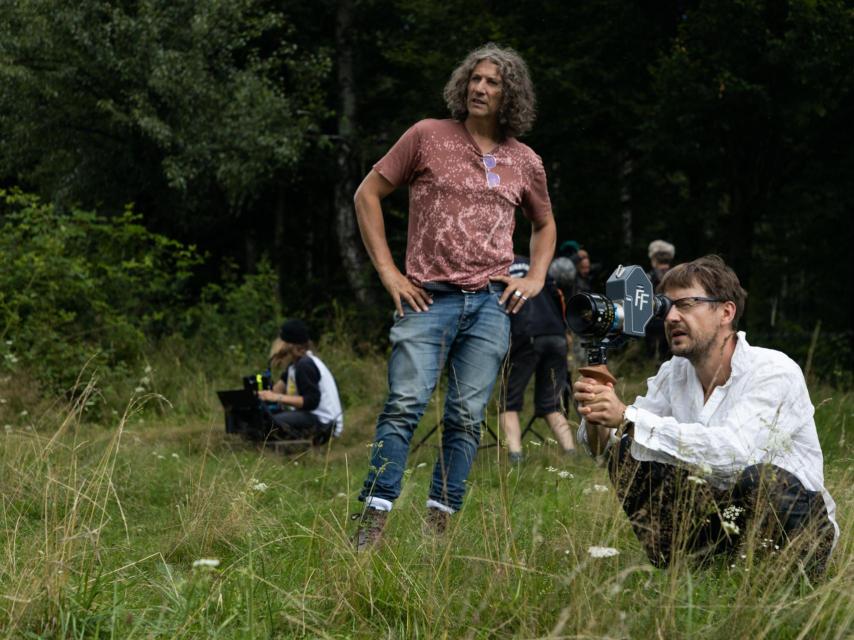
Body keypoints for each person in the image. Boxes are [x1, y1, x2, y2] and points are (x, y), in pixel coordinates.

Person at [352, 43, 557, 550]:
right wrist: (388, 273)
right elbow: (367, 195)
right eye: (475, 79)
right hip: (427, 298)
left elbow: (545, 224)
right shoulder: (427, 136)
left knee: (466, 418)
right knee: (404, 406)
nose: (480, 88)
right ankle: (371, 526)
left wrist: (534, 276)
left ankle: (436, 534)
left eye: (493, 82)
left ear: (511, 96)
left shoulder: (524, 161)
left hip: (491, 304)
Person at [573, 256, 838, 576]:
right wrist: (596, 410)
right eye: (665, 306)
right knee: (626, 457)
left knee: (760, 478)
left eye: (686, 304)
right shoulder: (673, 373)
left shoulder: (773, 369)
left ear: (726, 311)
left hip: (796, 525)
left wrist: (628, 418)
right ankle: (687, 570)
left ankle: (791, 577)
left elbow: (735, 452)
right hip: (720, 516)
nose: (671, 317)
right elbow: (606, 450)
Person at [499, 255, 576, 462]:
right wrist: (566, 329)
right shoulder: (535, 264)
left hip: (526, 334)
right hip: (556, 334)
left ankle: (515, 455)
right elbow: (557, 295)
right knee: (551, 402)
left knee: (508, 400)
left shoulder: (498, 266)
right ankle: (570, 452)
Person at [257, 319, 344, 443]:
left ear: (288, 344)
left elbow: (311, 402)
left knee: (270, 423)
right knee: (264, 418)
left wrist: (276, 397)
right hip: (314, 419)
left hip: (324, 424)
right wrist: (262, 395)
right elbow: (276, 390)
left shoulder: (305, 365)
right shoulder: (294, 366)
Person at [645, 239, 675, 363]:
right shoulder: (676, 276)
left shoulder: (647, 277)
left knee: (655, 357)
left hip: (653, 322)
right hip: (670, 320)